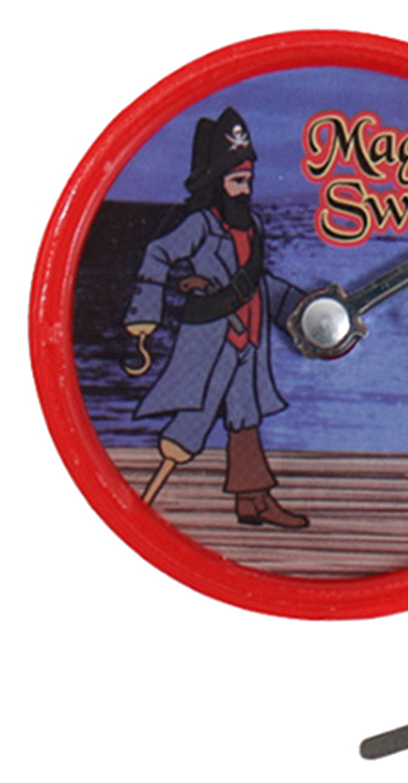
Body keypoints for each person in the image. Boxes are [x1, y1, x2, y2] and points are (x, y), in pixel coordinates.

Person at [124, 107, 308, 528]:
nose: (245, 190)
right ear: (217, 182)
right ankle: (139, 508)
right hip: (213, 339)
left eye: (248, 181)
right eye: (237, 181)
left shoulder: (253, 226)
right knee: (194, 418)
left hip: (250, 342)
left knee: (245, 417)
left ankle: (253, 501)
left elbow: (259, 283)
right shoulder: (201, 225)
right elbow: (158, 253)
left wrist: (301, 309)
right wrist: (144, 317)